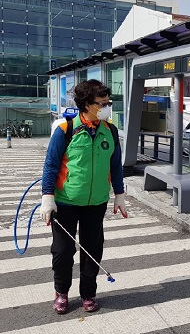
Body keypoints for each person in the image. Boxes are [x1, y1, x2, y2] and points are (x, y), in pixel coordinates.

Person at [40, 79, 128, 315]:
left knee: (92, 250)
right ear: (87, 104)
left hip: (96, 203)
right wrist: (47, 197)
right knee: (62, 252)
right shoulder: (65, 130)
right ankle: (61, 292)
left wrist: (119, 194)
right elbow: (50, 165)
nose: (106, 107)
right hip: (65, 203)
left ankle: (88, 294)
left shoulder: (110, 130)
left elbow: (115, 165)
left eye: (108, 103)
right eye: (101, 103)